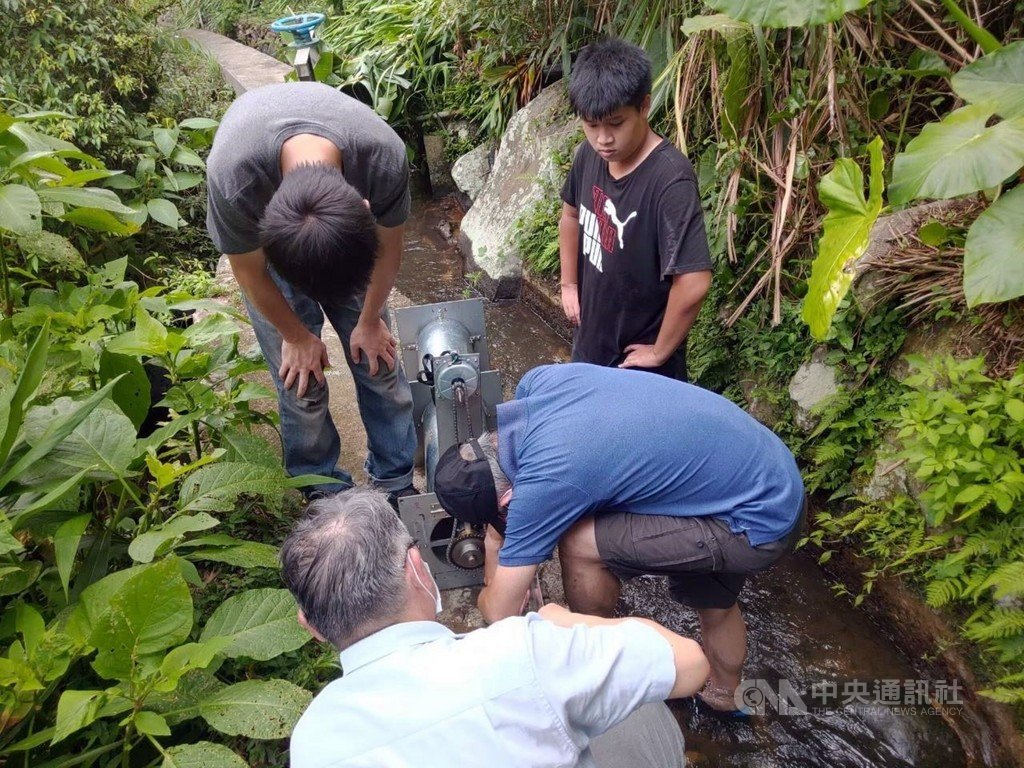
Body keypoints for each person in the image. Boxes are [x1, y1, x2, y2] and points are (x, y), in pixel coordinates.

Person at [433, 363, 805, 714]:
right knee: (714, 600)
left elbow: (499, 612)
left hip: (752, 526)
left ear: (507, 500)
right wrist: (503, 535)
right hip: (765, 477)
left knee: (579, 542)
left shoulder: (546, 481)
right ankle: (727, 698)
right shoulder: (538, 384)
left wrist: (495, 564)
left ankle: (597, 657)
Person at [280, 486, 710, 768]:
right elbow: (691, 663)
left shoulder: (310, 742)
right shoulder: (525, 653)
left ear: (310, 625)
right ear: (417, 567)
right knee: (640, 707)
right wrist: (557, 620)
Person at [205, 81, 416, 502]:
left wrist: (370, 318)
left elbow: (388, 253)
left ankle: (394, 482)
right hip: (279, 247)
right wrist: (297, 336)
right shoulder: (235, 182)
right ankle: (321, 488)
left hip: (339, 238)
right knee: (300, 381)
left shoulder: (383, 160)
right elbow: (249, 274)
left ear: (364, 209)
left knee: (380, 363)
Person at [558, 37, 713, 381]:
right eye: (592, 125)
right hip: (589, 346)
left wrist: (658, 352)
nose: (603, 139)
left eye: (616, 124)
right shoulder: (588, 156)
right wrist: (569, 285)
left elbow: (694, 281)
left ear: (644, 106)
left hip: (639, 368)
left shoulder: (669, 180)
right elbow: (570, 215)